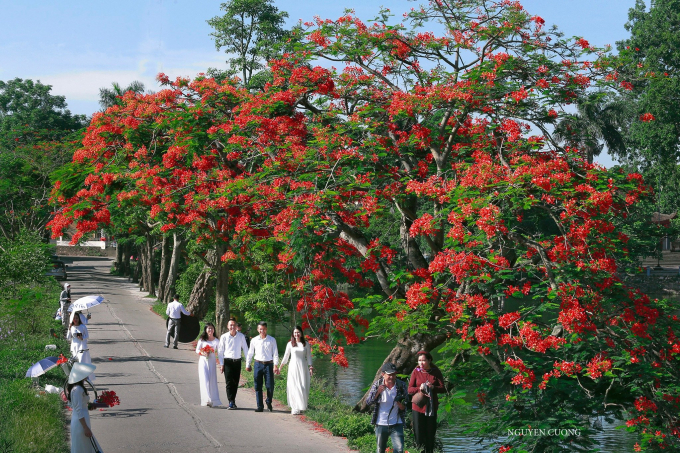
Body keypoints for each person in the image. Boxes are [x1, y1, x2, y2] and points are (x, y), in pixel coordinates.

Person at [365, 362, 408, 453]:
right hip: (381, 423)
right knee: (380, 449)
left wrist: (402, 406)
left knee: (399, 449)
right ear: (383, 374)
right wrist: (377, 393)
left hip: (397, 423)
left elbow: (407, 403)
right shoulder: (377, 385)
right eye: (389, 375)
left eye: (393, 374)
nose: (392, 377)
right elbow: (368, 402)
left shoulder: (401, 385)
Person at [408, 351, 445, 453]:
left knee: (430, 434)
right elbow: (410, 389)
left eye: (424, 360)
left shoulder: (435, 371)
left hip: (431, 407)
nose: (421, 363)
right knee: (419, 435)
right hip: (418, 407)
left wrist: (433, 387)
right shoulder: (416, 371)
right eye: (419, 360)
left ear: (429, 360)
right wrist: (420, 389)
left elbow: (443, 388)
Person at [65, 362, 103, 453]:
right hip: (80, 422)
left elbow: (77, 405)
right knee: (83, 446)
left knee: (85, 445)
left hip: (82, 419)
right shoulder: (77, 389)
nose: (88, 375)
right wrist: (85, 427)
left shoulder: (78, 388)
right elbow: (78, 410)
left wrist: (89, 406)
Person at [245, 321, 279, 412]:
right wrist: (248, 364)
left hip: (268, 364)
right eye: (260, 329)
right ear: (257, 329)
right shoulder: (254, 340)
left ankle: (268, 401)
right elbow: (250, 353)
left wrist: (276, 365)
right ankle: (260, 406)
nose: (262, 331)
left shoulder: (272, 340)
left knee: (270, 386)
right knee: (258, 385)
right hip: (258, 364)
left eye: (263, 329)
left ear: (266, 329)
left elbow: (275, 353)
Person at [279, 326, 313, 415]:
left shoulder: (306, 344)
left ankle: (301, 405)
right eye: (295, 333)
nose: (296, 334)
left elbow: (309, 357)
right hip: (293, 367)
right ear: (293, 334)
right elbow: (286, 356)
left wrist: (311, 367)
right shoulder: (290, 344)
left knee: (302, 386)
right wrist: (280, 367)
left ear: (301, 333)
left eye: (298, 332)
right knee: (294, 386)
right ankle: (295, 407)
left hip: (303, 367)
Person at [218, 317, 248, 409]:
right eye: (230, 325)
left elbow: (246, 349)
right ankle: (230, 401)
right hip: (228, 362)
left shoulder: (241, 336)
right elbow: (220, 351)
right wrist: (221, 364)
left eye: (234, 325)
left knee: (235, 382)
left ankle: (233, 400)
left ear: (236, 326)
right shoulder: (224, 337)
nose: (232, 327)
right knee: (229, 382)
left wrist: (248, 363)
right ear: (227, 326)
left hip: (237, 362)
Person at [195, 322, 222, 407]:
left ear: (214, 330)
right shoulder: (202, 340)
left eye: (212, 328)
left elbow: (220, 353)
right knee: (205, 379)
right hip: (203, 361)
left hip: (212, 362)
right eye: (208, 328)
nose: (210, 330)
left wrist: (222, 364)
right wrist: (203, 353)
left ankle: (214, 399)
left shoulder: (217, 341)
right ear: (206, 330)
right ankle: (206, 399)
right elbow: (197, 350)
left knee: (212, 380)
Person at [67, 311, 94, 382]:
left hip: (82, 346)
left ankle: (83, 377)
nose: (75, 320)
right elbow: (68, 338)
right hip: (75, 347)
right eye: (74, 318)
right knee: (76, 363)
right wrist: (69, 329)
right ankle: (79, 379)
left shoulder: (83, 326)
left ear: (79, 319)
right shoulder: (72, 327)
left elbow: (87, 336)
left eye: (77, 318)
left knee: (82, 361)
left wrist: (82, 338)